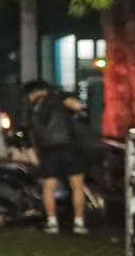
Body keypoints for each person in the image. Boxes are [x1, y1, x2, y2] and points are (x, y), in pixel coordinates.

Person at [23, 80, 90, 234]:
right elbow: (78, 106)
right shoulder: (58, 97)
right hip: (69, 147)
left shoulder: (32, 109)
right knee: (77, 186)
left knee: (49, 187)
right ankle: (79, 223)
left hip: (48, 150)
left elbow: (29, 131)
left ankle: (52, 223)